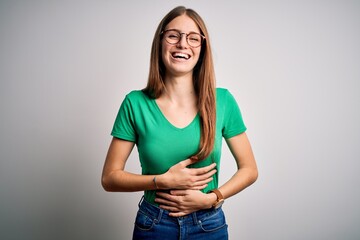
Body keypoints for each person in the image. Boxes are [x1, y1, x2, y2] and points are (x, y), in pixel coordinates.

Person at [101, 6, 258, 240]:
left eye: (193, 38)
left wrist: (212, 197)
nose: (183, 44)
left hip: (208, 224)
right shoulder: (135, 103)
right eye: (174, 35)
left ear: (202, 49)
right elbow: (110, 178)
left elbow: (250, 169)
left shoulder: (223, 101)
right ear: (161, 42)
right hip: (154, 225)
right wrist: (161, 180)